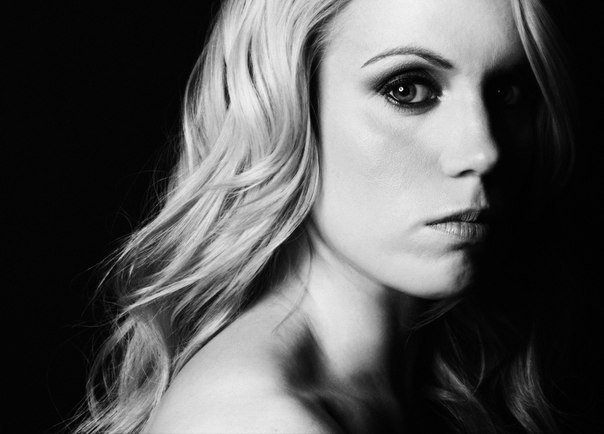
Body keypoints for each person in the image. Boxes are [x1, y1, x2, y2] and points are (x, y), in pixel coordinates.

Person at [77, 0, 575, 432]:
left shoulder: (429, 381)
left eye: (508, 92)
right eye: (408, 89)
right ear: (288, 107)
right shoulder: (254, 420)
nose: (484, 150)